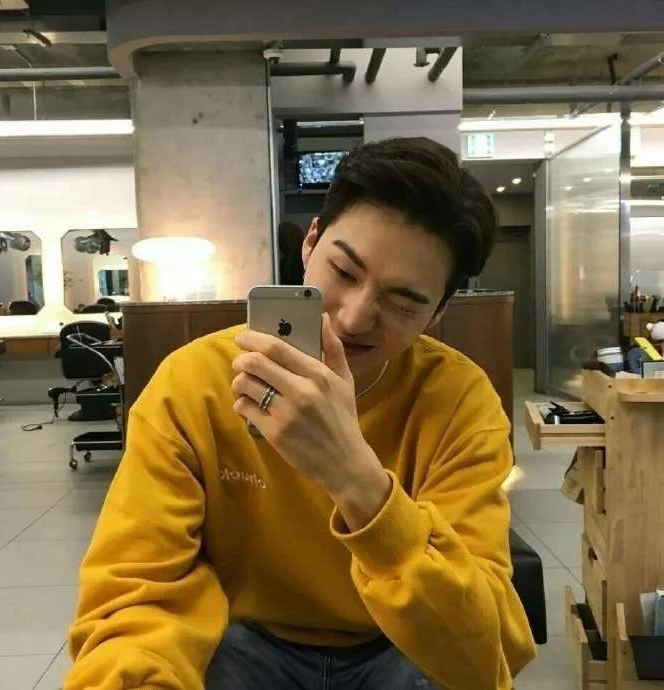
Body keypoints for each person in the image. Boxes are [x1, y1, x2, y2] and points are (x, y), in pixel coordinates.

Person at [65, 137, 536, 690]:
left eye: (402, 302)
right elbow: (137, 597)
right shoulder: (194, 383)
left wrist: (355, 477)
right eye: (344, 272)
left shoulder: (458, 400)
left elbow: (480, 652)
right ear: (310, 243)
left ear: (437, 314)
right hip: (245, 639)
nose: (354, 318)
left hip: (398, 641)